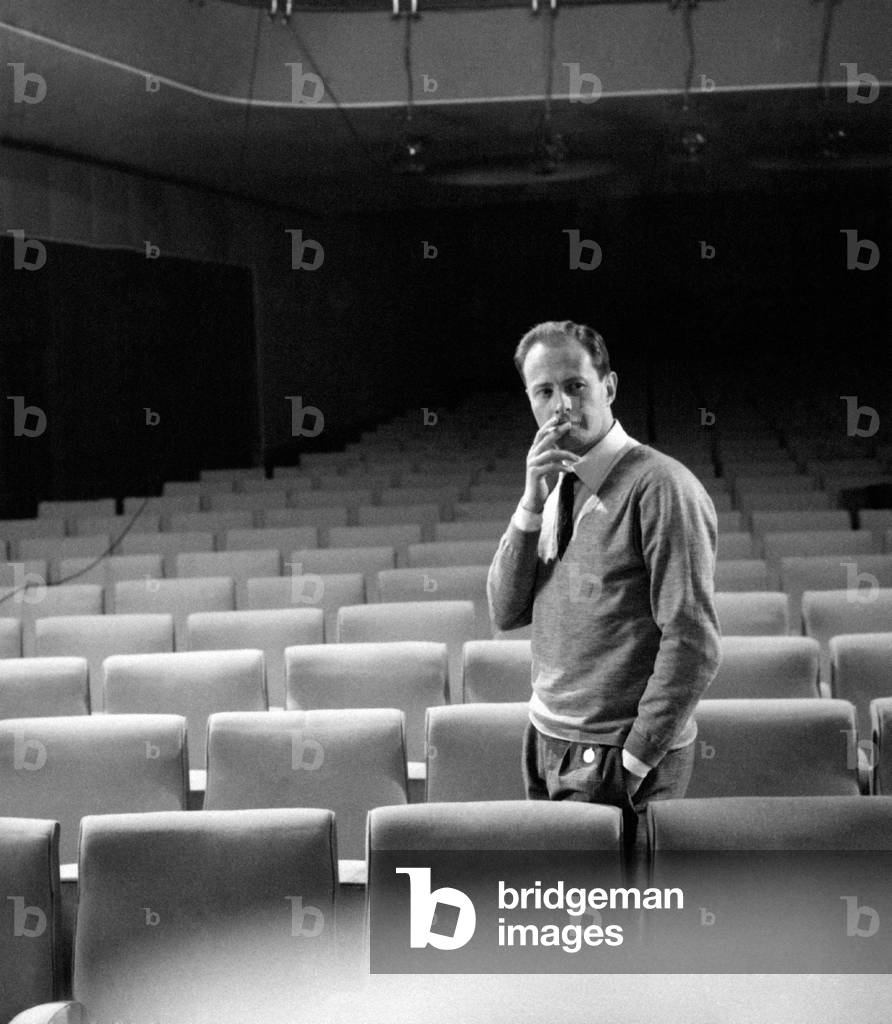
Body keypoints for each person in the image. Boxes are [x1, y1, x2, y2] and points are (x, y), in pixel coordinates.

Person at [487, 320, 721, 835]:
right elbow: (505, 610)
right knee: (564, 911)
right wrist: (531, 502)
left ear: (608, 387)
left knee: (614, 915)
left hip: (617, 754)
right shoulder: (555, 483)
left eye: (576, 386)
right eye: (544, 391)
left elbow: (693, 641)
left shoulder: (661, 486)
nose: (561, 406)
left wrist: (636, 759)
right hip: (546, 738)